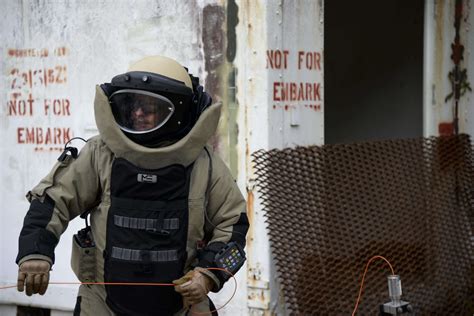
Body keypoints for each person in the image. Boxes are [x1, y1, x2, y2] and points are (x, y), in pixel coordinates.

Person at [15, 56, 249, 315]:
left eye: (150, 106)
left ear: (179, 111)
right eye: (132, 104)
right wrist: (35, 254)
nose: (138, 113)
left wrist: (207, 276)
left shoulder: (204, 165)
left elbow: (233, 225)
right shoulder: (100, 154)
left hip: (182, 305)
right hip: (102, 303)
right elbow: (52, 202)